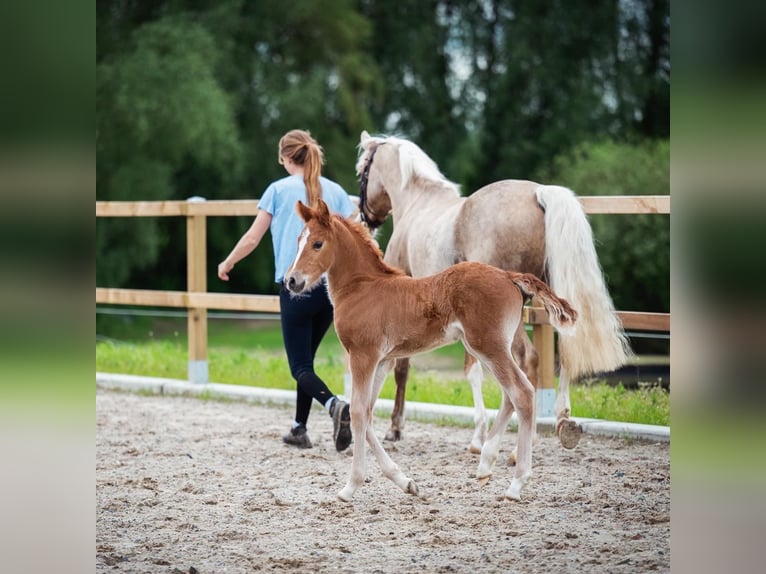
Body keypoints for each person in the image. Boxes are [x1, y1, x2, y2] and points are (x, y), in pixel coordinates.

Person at [217, 129, 356, 451]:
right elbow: (355, 235)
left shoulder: (277, 190)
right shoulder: (335, 192)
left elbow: (252, 238)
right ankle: (299, 428)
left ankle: (335, 405)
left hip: (295, 287)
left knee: (300, 367)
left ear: (284, 158)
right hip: (329, 291)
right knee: (307, 360)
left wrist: (227, 263)